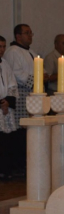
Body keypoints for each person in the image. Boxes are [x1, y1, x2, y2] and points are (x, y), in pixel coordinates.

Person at [4, 24, 46, 175]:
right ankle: (18, 164)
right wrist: (35, 81)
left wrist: (43, 77)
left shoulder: (32, 52)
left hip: (33, 95)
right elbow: (16, 73)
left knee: (30, 130)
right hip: (22, 95)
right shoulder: (13, 52)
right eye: (27, 33)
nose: (30, 36)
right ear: (18, 36)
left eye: (31, 32)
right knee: (21, 130)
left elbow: (40, 70)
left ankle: (29, 161)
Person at [0, 35, 19, 180]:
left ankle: (5, 170)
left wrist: (7, 101)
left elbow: (12, 84)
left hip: (5, 106)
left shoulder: (5, 64)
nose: (2, 50)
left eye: (3, 46)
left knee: (5, 142)